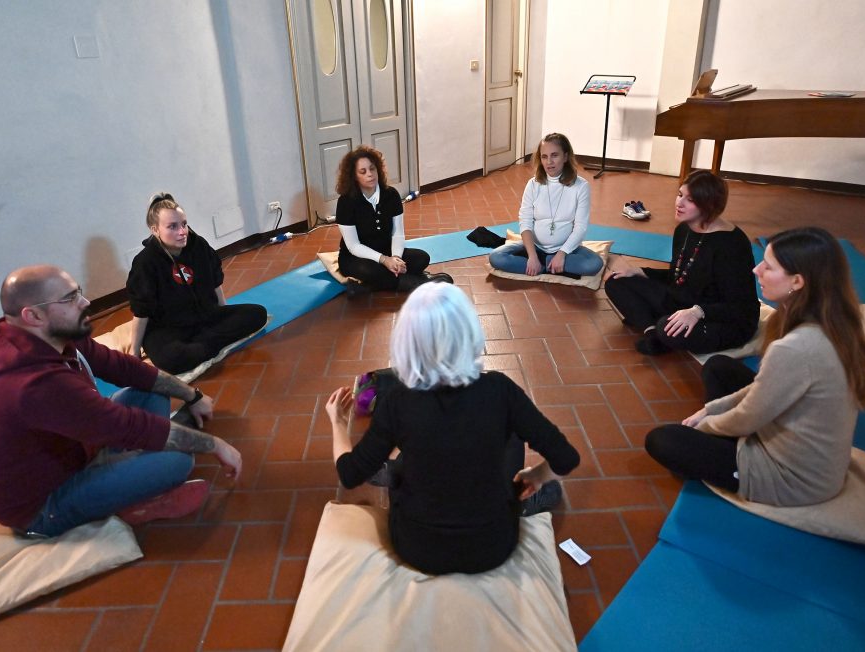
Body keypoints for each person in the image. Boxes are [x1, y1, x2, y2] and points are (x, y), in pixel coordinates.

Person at [0, 265, 243, 537]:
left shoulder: (49, 333)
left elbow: (122, 367)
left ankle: (126, 482)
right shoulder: (32, 383)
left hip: (77, 452)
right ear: (33, 315)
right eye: (70, 298)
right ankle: (126, 506)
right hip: (43, 506)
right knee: (178, 461)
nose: (85, 302)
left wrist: (192, 395)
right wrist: (215, 445)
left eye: (78, 292)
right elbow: (126, 426)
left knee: (151, 391)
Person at [324, 283, 580, 574]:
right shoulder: (500, 390)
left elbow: (349, 473)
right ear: (470, 333)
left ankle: (393, 471)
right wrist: (536, 476)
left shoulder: (398, 400)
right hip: (492, 547)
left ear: (406, 342)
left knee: (414, 450)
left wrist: (338, 424)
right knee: (510, 436)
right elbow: (566, 458)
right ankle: (521, 501)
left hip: (417, 547)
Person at [644, 227, 865, 506]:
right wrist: (710, 409)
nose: (756, 270)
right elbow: (762, 389)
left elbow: (749, 417)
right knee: (718, 367)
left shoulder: (797, 348)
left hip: (794, 479)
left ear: (797, 281)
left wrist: (705, 426)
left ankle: (727, 455)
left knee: (663, 440)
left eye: (768, 266)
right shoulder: (834, 321)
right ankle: (723, 444)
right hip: (802, 450)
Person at [604, 170, 759, 356]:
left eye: (690, 200)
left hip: (721, 319)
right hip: (684, 300)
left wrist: (697, 312)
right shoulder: (683, 229)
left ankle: (659, 328)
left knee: (666, 327)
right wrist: (641, 271)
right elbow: (678, 275)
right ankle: (651, 332)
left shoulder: (731, 244)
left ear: (709, 205)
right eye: (679, 195)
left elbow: (740, 307)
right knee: (616, 281)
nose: (679, 203)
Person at [127, 192, 267, 374]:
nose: (182, 232)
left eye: (184, 224)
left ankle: (202, 346)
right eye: (172, 226)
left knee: (258, 314)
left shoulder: (198, 245)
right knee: (171, 358)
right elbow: (141, 310)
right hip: (169, 328)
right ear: (155, 230)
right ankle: (204, 345)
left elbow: (215, 281)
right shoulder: (145, 262)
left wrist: (223, 312)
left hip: (204, 317)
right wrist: (134, 351)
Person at [334, 145, 452, 296]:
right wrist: (384, 260)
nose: (370, 174)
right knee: (370, 270)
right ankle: (417, 283)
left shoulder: (391, 194)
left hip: (387, 250)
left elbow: (397, 233)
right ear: (354, 176)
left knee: (421, 258)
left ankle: (366, 288)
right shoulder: (345, 202)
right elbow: (353, 246)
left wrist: (396, 258)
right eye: (363, 172)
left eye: (372, 169)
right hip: (356, 257)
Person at [488, 133, 603, 278]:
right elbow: (525, 222)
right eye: (544, 156)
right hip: (535, 247)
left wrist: (561, 254)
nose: (549, 162)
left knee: (594, 264)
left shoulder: (581, 186)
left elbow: (581, 227)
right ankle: (547, 266)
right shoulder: (533, 184)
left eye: (554, 155)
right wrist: (532, 256)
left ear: (565, 157)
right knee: (496, 257)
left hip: (566, 250)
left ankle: (547, 265)